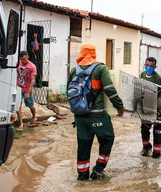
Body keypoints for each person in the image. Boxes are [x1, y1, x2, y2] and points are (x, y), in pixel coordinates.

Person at [67, 44, 124, 181]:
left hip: (80, 117)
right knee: (107, 139)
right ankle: (98, 169)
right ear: (93, 54)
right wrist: (119, 106)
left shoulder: (74, 70)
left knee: (83, 144)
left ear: (81, 53)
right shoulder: (100, 68)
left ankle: (82, 176)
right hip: (97, 114)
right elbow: (109, 89)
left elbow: (68, 93)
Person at [139, 57, 161, 159]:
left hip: (157, 108)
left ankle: (157, 153)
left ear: (155, 67)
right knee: (144, 129)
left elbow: (160, 97)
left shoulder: (158, 79)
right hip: (145, 106)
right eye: (147, 65)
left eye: (151, 66)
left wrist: (156, 114)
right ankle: (146, 148)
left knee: (157, 130)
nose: (148, 67)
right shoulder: (142, 75)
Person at [16, 51, 37, 130]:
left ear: (27, 57)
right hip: (19, 88)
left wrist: (28, 92)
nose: (22, 61)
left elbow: (32, 80)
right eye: (21, 59)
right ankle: (21, 123)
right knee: (18, 106)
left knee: (31, 106)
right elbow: (16, 75)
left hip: (27, 89)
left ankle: (34, 116)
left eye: (24, 59)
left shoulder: (32, 66)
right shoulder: (18, 63)